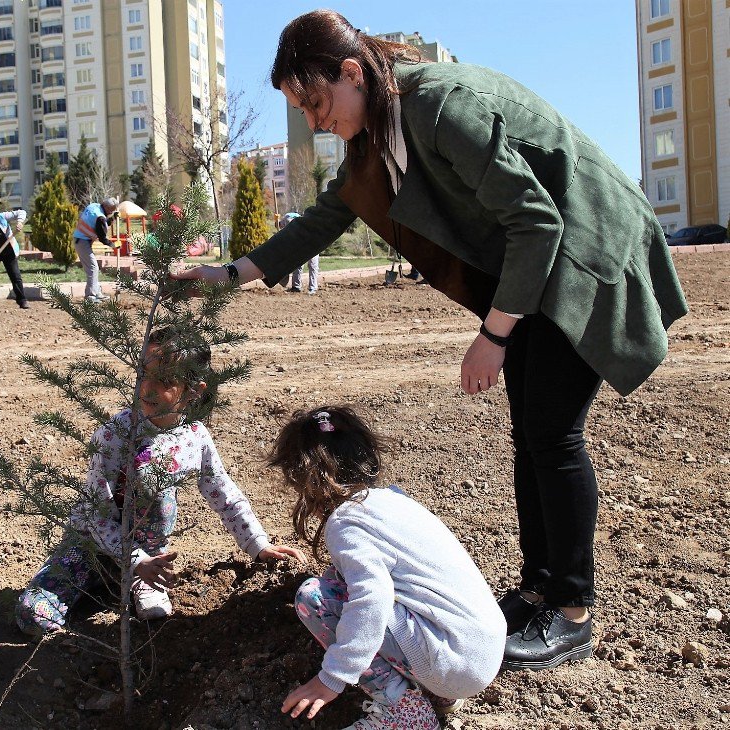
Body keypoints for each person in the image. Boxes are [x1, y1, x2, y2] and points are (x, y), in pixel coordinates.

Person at [173, 9, 688, 672]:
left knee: (554, 434)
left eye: (316, 101)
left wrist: (494, 334)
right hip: (534, 264)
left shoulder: (443, 107)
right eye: (302, 109)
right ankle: (536, 591)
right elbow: (328, 216)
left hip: (582, 251)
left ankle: (572, 611)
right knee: (531, 433)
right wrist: (230, 274)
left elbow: (538, 221)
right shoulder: (375, 137)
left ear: (352, 73)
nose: (313, 120)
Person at [16, 326, 305, 634]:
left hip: (148, 561)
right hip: (90, 549)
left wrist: (258, 545)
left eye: (165, 380)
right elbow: (94, 514)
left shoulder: (194, 437)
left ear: (193, 389)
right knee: (34, 616)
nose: (148, 388)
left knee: (156, 619)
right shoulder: (115, 435)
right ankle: (104, 582)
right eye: (144, 373)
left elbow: (224, 493)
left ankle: (129, 582)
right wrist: (133, 560)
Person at [270, 406, 505, 730]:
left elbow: (373, 598)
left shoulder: (347, 521)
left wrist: (332, 677)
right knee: (342, 582)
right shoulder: (394, 501)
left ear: (307, 477)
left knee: (315, 598)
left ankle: (401, 708)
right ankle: (437, 695)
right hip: (480, 650)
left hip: (452, 663)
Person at [73, 196, 118, 303]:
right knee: (93, 268)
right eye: (111, 210)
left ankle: (97, 292)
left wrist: (113, 218)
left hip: (81, 239)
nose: (111, 212)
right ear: (106, 207)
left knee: (94, 268)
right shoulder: (100, 217)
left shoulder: (94, 206)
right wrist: (114, 245)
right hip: (82, 242)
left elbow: (100, 224)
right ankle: (90, 296)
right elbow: (102, 236)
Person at [279, 212, 319, 295]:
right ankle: (296, 287)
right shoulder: (287, 219)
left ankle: (313, 288)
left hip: (313, 242)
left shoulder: (292, 220)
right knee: (298, 265)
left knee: (312, 266)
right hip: (301, 243)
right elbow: (281, 227)